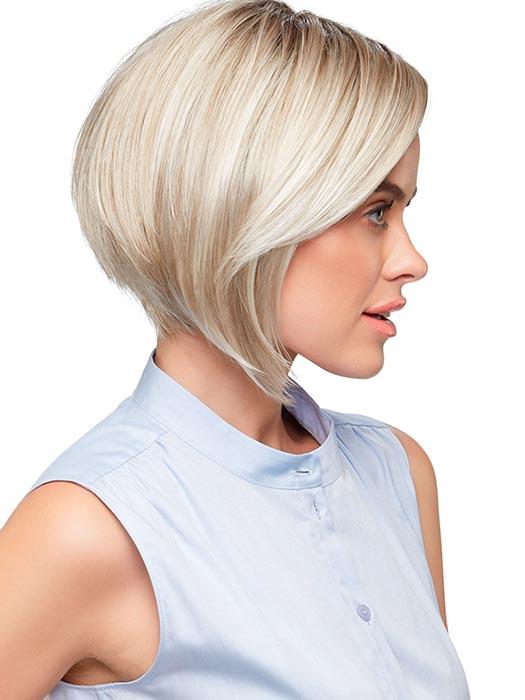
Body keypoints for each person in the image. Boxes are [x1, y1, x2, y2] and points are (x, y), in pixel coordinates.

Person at [0, 1, 471, 697]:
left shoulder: (396, 472)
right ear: (244, 209)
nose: (412, 260)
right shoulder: (86, 529)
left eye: (403, 211)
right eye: (377, 211)